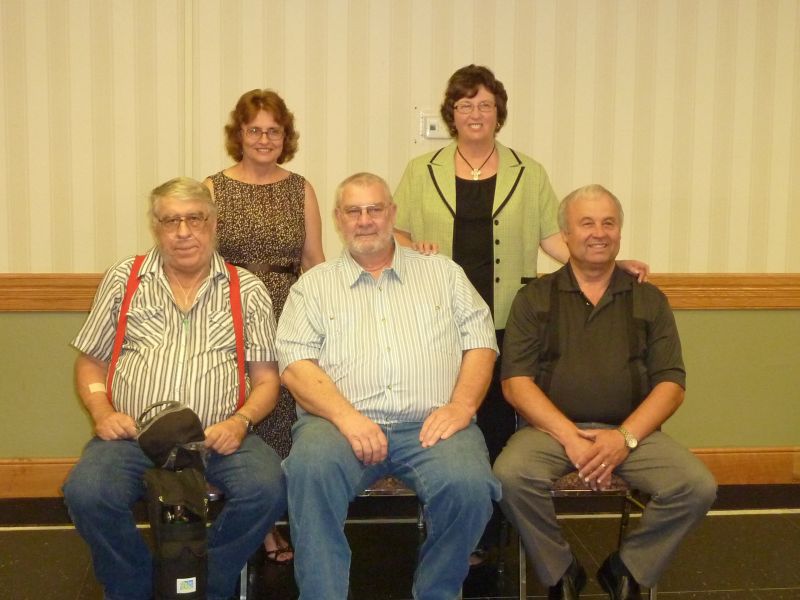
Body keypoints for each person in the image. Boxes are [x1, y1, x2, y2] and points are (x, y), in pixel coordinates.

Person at [392, 64, 648, 564]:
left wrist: (611, 262)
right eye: (465, 105)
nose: (475, 114)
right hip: (441, 321)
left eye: (485, 104)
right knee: (446, 419)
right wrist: (412, 242)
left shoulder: (528, 173)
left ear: (498, 113)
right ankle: (446, 523)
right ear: (452, 114)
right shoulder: (420, 171)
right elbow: (395, 233)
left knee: (496, 423)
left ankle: (492, 530)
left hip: (509, 319)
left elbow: (557, 241)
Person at [277, 172, 502, 599]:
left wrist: (461, 406)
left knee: (471, 486)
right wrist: (347, 417)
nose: (365, 220)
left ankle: (436, 592)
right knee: (309, 472)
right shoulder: (314, 286)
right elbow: (294, 364)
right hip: (337, 426)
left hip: (431, 424)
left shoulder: (443, 274)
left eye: (375, 209)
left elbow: (481, 343)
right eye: (354, 211)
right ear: (339, 220)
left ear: (392, 214)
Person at [63, 177, 287, 600]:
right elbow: (91, 361)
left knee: (269, 488)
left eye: (194, 219)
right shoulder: (124, 279)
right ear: (157, 227)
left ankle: (205, 582)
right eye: (171, 221)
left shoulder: (247, 290)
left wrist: (240, 422)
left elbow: (266, 381)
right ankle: (136, 586)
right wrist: (101, 412)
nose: (183, 232)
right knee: (86, 492)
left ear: (213, 223)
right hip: (133, 437)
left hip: (218, 437)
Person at [493, 185, 717, 599]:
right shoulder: (533, 298)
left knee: (696, 486)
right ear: (565, 235)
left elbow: (672, 384)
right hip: (549, 434)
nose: (599, 232)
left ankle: (629, 568)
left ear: (619, 232)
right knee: (509, 476)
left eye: (608, 223)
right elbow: (515, 383)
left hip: (633, 433)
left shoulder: (649, 300)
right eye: (587, 223)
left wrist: (624, 438)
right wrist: (568, 436)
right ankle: (560, 572)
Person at [205, 88, 324, 562]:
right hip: (227, 312)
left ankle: (276, 516)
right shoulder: (213, 188)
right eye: (254, 129)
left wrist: (324, 321)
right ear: (239, 134)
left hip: (287, 309)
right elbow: (201, 261)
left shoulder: (301, 188)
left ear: (285, 136)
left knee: (285, 412)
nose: (263, 138)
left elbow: (314, 260)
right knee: (240, 403)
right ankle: (250, 515)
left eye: (273, 131)